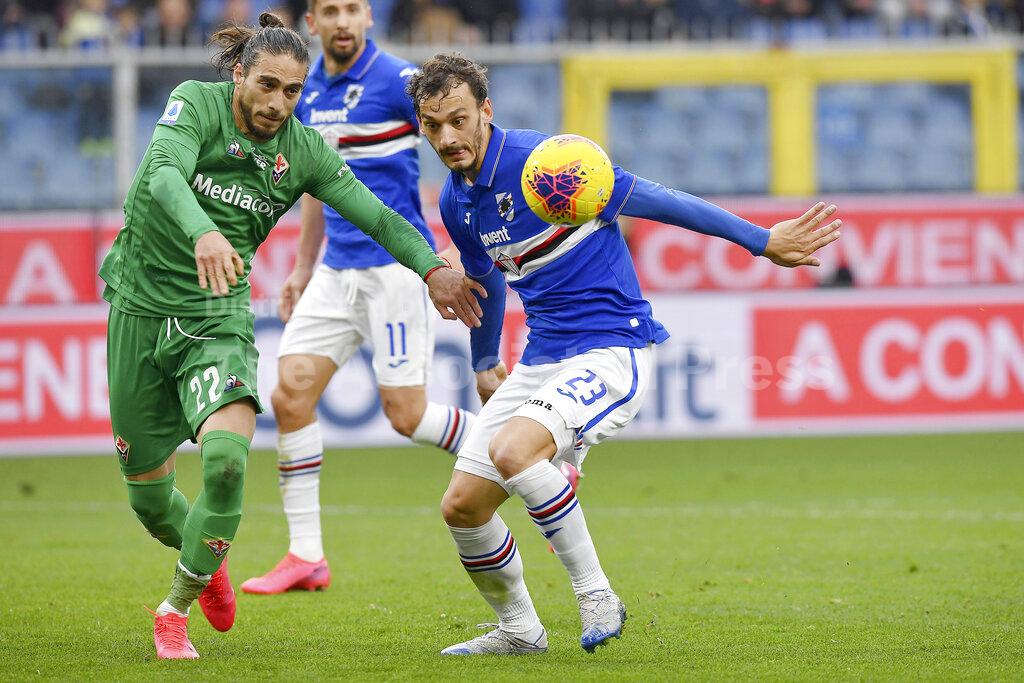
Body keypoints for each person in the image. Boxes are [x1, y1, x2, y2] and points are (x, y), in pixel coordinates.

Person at [407, 53, 842, 656]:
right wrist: (485, 361)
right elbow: (487, 281)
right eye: (433, 126)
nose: (448, 138)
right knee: (462, 507)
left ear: (486, 109)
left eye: (458, 119)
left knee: (513, 452)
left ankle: (596, 593)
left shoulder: (550, 162)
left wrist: (761, 240)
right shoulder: (458, 203)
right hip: (542, 358)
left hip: (611, 349)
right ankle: (520, 631)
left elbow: (656, 199)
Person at [99, 15, 480, 661]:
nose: (279, 103)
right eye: (268, 85)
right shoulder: (195, 103)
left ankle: (175, 608)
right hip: (137, 311)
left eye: (293, 90)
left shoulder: (302, 150)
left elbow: (377, 214)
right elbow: (162, 173)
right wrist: (204, 232)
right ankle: (207, 559)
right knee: (149, 499)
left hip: (216, 319)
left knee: (224, 461)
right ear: (240, 74)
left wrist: (433, 268)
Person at [241, 0, 479, 596]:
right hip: (334, 271)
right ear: (312, 22)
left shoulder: (400, 81)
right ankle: (305, 556)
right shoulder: (302, 88)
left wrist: (456, 245)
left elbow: (459, 147)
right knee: (290, 393)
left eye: (353, 8)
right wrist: (300, 267)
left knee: (409, 416)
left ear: (368, 17)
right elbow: (316, 183)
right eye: (330, 10)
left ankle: (528, 446)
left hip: (396, 270)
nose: (343, 21)